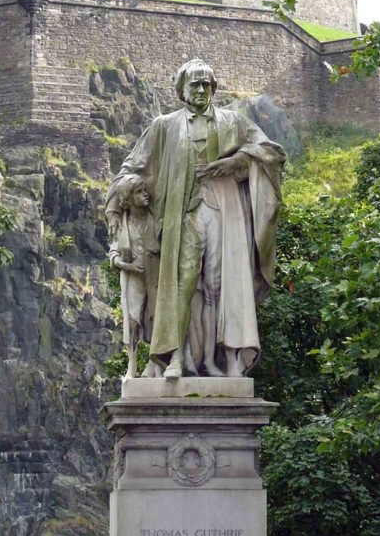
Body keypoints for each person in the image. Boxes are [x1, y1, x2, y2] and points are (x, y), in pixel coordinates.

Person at [108, 58, 284, 378]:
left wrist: (236, 162)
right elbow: (131, 169)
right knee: (184, 282)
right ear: (182, 90)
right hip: (182, 216)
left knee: (223, 284)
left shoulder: (234, 121)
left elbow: (271, 153)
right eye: (195, 84)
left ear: (214, 88)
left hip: (224, 212)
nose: (201, 89)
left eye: (206, 84)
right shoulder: (164, 125)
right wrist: (113, 209)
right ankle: (174, 355)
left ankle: (222, 358)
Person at [105, 173, 161, 379]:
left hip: (155, 274)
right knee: (132, 320)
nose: (145, 195)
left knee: (156, 318)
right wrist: (127, 266)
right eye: (139, 192)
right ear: (128, 198)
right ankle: (132, 365)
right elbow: (114, 253)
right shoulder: (123, 224)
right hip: (133, 277)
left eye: (145, 190)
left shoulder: (154, 219)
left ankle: (156, 364)